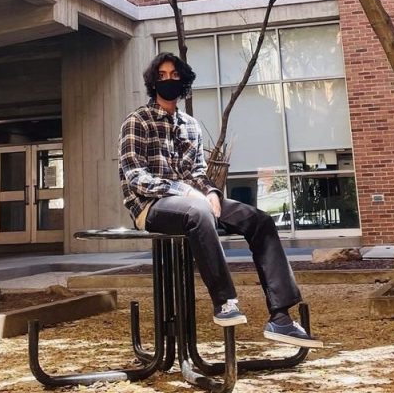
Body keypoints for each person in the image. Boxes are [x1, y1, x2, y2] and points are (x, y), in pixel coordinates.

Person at [118, 51, 323, 348]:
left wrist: (211, 191)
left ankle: (281, 318)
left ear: (184, 81)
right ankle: (225, 302)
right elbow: (136, 177)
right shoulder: (138, 121)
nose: (168, 81)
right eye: (161, 76)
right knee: (198, 209)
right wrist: (186, 192)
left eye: (174, 76)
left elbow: (198, 172)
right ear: (153, 83)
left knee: (259, 221)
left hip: (194, 201)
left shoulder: (190, 125)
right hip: (150, 206)